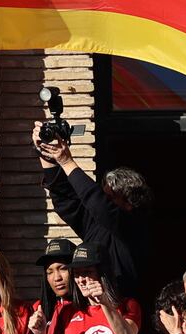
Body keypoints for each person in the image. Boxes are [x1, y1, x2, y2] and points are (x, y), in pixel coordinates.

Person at [33, 124, 151, 299]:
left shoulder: (133, 226)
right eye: (104, 196)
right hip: (93, 312)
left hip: (126, 312)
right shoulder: (96, 227)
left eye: (110, 199)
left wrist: (67, 161)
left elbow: (96, 202)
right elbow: (66, 201)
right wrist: (45, 152)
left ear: (129, 204)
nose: (104, 202)